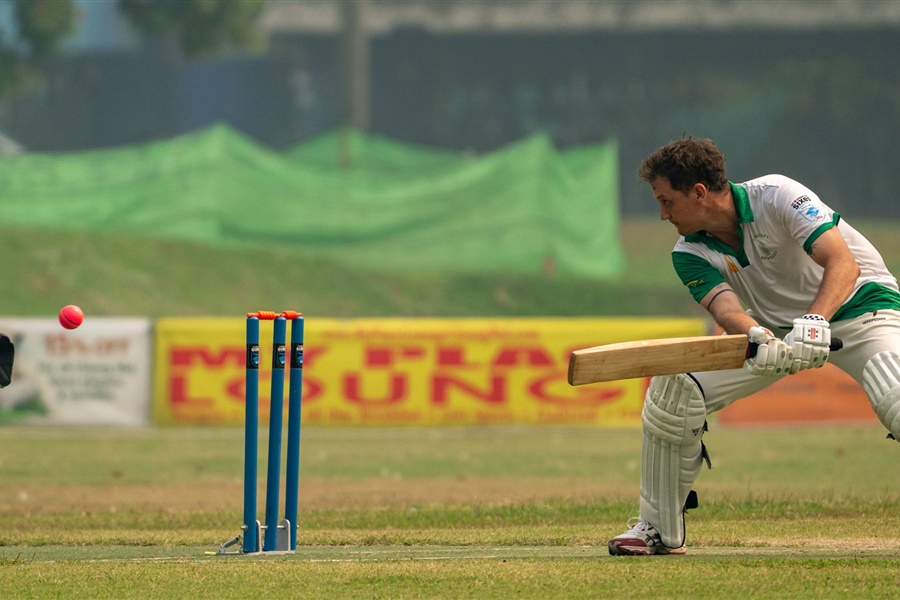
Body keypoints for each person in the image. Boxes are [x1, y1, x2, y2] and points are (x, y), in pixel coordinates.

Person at [608, 137, 900, 556]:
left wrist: (814, 321)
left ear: (699, 192)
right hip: (777, 332)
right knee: (676, 390)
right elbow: (727, 309)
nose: (662, 214)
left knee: (896, 395)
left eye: (667, 201)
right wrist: (757, 337)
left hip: (862, 309)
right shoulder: (688, 250)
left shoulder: (779, 196)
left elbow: (843, 263)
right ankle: (656, 528)